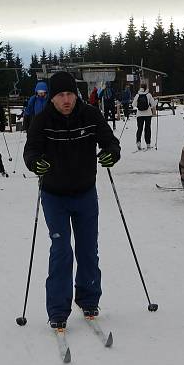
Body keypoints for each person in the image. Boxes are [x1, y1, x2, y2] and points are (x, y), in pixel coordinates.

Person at [23, 71, 121, 329]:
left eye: (70, 94)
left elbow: (111, 142)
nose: (66, 100)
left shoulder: (90, 115)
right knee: (61, 251)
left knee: (88, 249)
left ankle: (89, 299)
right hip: (54, 195)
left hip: (85, 193)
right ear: (52, 99)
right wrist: (35, 163)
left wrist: (112, 153)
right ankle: (57, 309)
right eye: (60, 95)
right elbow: (30, 151)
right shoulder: (42, 120)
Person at [132, 84, 157, 150]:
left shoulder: (137, 95)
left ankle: (138, 142)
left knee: (139, 128)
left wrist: (138, 106)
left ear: (140, 88)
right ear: (146, 88)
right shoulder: (148, 95)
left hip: (139, 114)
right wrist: (156, 101)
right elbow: (153, 104)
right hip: (148, 114)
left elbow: (133, 104)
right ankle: (148, 144)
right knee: (147, 128)